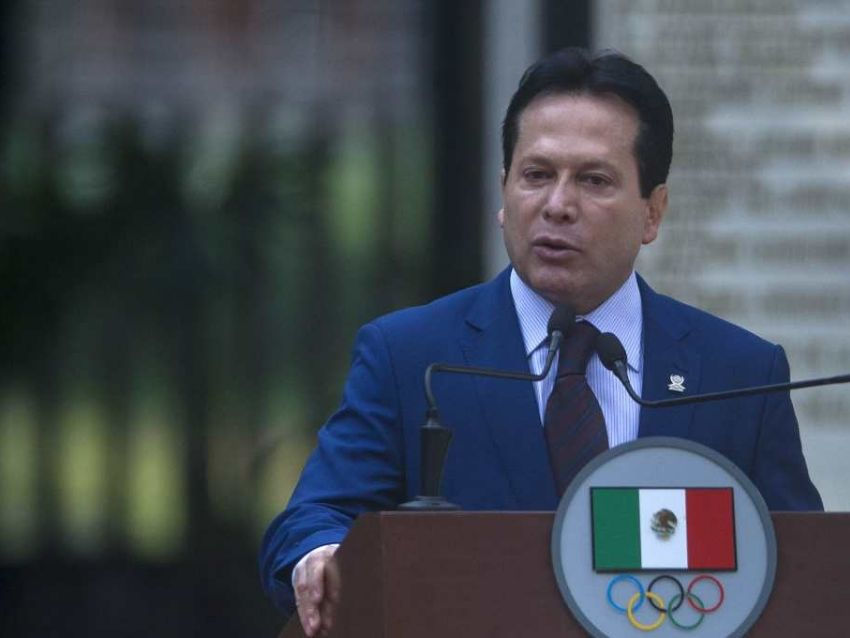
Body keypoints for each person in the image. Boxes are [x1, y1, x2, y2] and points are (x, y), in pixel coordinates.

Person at [259, 47, 823, 636]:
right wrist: (321, 556)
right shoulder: (411, 356)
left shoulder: (740, 372)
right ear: (503, 194)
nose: (558, 206)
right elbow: (314, 516)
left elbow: (802, 568)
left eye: (594, 180)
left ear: (653, 212)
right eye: (536, 175)